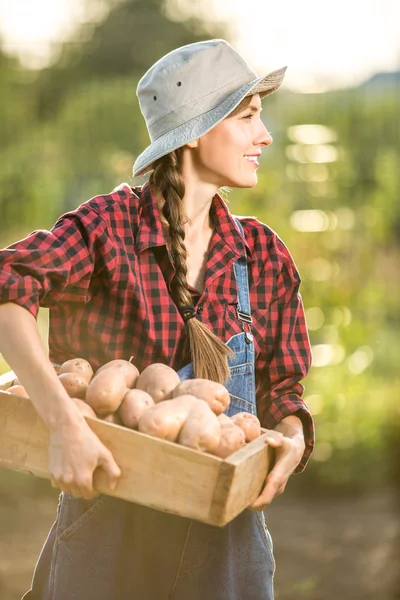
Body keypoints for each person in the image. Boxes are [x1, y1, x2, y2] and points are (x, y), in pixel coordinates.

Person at [0, 39, 314, 600]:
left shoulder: (262, 257)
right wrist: (64, 426)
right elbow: (8, 288)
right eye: (248, 118)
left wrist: (288, 441)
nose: (264, 136)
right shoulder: (108, 229)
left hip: (227, 544)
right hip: (110, 536)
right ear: (197, 130)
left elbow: (285, 394)